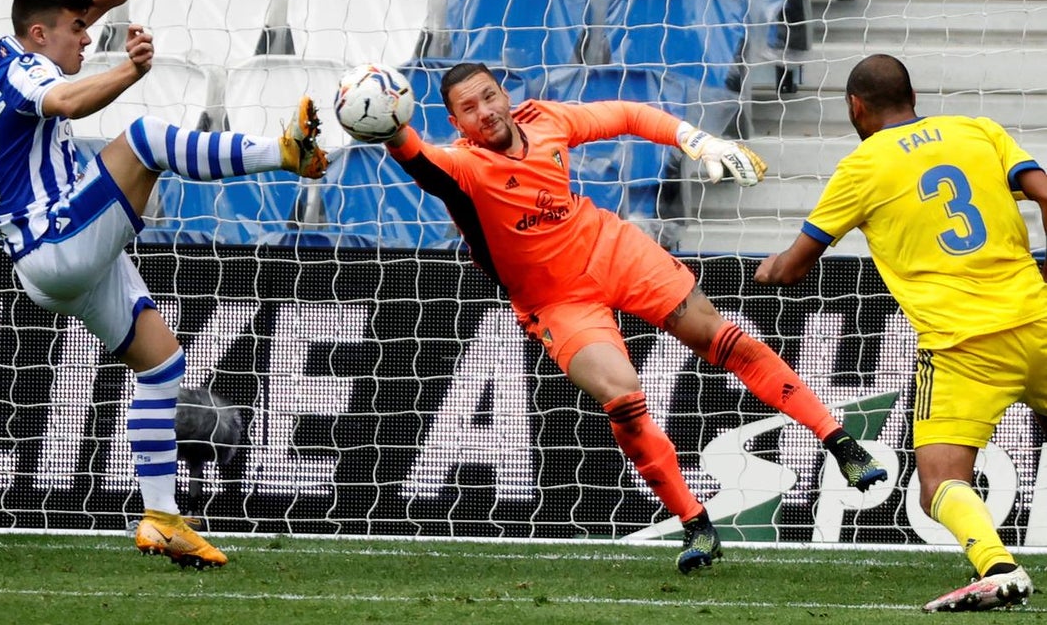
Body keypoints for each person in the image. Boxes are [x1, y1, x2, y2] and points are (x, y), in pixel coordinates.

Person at [378, 62, 887, 573]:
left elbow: (625, 114)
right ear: (455, 121)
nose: (486, 112)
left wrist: (697, 141)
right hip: (558, 302)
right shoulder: (461, 167)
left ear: (504, 94)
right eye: (470, 108)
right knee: (621, 395)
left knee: (720, 336)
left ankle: (840, 443)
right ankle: (695, 525)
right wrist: (389, 128)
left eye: (490, 97)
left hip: (610, 248)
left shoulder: (547, 120)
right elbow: (416, 159)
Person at [0, 0, 328, 568]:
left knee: (162, 366)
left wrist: (99, 1)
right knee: (141, 139)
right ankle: (281, 151)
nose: (87, 38)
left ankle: (162, 518)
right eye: (78, 29)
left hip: (55, 263)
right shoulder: (21, 64)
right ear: (38, 33)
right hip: (54, 239)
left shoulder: (14, 52)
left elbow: (59, 43)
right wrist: (130, 70)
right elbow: (66, 100)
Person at [755, 54, 1043, 611]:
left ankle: (998, 565)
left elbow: (792, 269)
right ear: (912, 95)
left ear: (856, 107)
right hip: (1037, 316)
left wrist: (768, 269)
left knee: (940, 481)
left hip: (962, 350)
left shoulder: (864, 166)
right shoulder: (977, 130)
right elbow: (1046, 192)